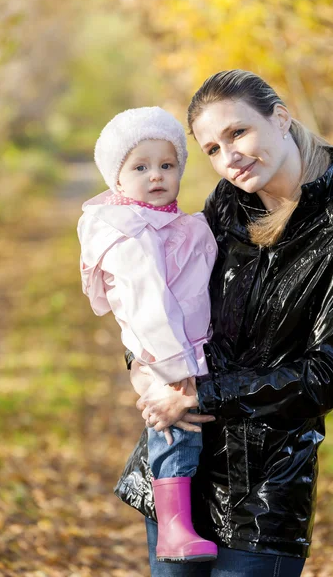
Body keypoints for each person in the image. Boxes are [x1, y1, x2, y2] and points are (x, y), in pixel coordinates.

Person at [115, 70, 333, 577]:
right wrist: (149, 371)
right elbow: (165, 305)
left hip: (262, 496)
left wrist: (200, 393)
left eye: (238, 133)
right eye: (212, 149)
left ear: (281, 118)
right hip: (179, 468)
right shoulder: (227, 205)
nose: (230, 157)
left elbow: (324, 377)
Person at [78, 106, 218, 563]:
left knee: (189, 431)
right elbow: (145, 305)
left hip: (186, 344)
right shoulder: (129, 233)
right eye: (140, 168)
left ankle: (183, 520)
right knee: (174, 427)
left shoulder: (170, 224)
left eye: (167, 165)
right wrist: (177, 370)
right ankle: (174, 528)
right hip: (165, 352)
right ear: (117, 180)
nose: (156, 176)